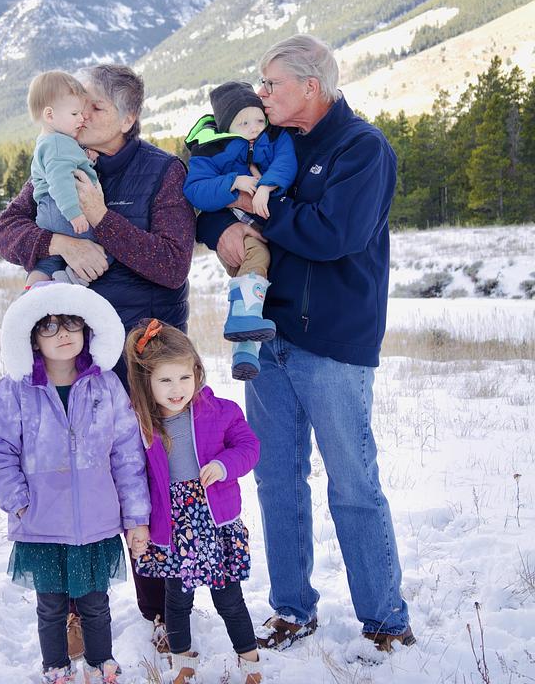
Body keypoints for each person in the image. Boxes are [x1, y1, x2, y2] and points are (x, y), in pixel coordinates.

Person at [196, 34, 415, 654]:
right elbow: (209, 189)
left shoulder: (361, 148)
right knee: (276, 481)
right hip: (267, 337)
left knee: (353, 484)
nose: (261, 94)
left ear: (311, 87)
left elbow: (333, 234)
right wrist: (220, 229)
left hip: (334, 343)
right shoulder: (269, 140)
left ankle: (385, 620)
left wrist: (261, 212)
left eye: (271, 84)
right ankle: (292, 609)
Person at [0, 64, 195, 656]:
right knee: (80, 475)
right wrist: (62, 243)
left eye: (95, 107)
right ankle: (78, 612)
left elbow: (172, 265)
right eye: (78, 104)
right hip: (75, 358)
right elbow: (4, 231)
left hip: (142, 354)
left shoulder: (163, 173)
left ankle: (162, 611)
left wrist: (103, 222)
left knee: (150, 481)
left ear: (128, 117)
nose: (81, 115)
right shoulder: (60, 154)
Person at [0, 281, 151, 683]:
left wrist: (135, 517)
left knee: (95, 602)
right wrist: (18, 501)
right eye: (49, 326)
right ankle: (56, 667)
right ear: (32, 337)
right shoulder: (16, 390)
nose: (62, 334)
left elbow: (127, 454)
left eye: (71, 322)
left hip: (96, 520)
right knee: (52, 606)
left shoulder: (105, 384)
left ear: (86, 328)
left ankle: (101, 663)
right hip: (42, 522)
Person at [124, 319, 264, 684]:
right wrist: (137, 523)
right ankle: (182, 663)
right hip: (174, 526)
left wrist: (223, 465)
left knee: (229, 598)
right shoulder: (142, 425)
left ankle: (250, 663)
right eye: (165, 381)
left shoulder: (221, 411)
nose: (177, 389)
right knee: (177, 600)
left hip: (215, 522)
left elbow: (249, 447)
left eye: (184, 378)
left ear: (197, 372)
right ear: (147, 381)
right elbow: (133, 477)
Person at [183, 81, 297, 381]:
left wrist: (267, 186)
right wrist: (233, 182)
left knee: (255, 290)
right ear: (226, 126)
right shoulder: (211, 149)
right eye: (243, 123)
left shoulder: (275, 137)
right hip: (234, 221)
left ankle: (245, 351)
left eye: (259, 120)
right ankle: (243, 322)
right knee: (256, 259)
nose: (254, 128)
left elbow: (286, 162)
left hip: (266, 223)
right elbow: (195, 190)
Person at [26, 70, 109, 287]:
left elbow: (67, 166)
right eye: (74, 114)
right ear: (50, 115)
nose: (82, 118)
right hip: (61, 210)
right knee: (104, 249)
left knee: (50, 260)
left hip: (50, 211)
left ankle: (35, 286)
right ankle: (71, 279)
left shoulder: (52, 141)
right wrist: (74, 213)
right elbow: (60, 181)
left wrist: (86, 160)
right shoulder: (57, 144)